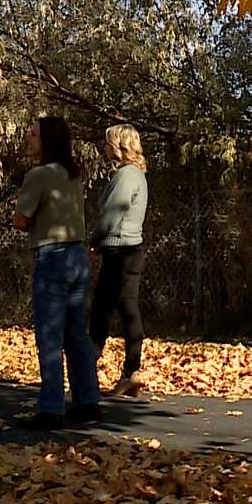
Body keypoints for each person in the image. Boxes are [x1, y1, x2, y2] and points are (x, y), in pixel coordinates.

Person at [13, 117, 102, 431]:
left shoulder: (37, 175)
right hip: (77, 254)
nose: (28, 137)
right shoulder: (71, 174)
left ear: (47, 141)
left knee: (49, 335)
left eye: (34, 134)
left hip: (52, 256)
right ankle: (87, 399)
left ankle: (51, 408)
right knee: (75, 332)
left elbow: (21, 219)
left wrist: (26, 219)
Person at [88, 124, 149, 397]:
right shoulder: (136, 175)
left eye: (108, 142)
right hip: (130, 249)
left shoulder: (126, 176)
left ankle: (87, 369)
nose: (104, 147)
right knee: (126, 309)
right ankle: (130, 372)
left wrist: (95, 239)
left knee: (102, 311)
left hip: (119, 251)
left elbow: (114, 212)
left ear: (119, 145)